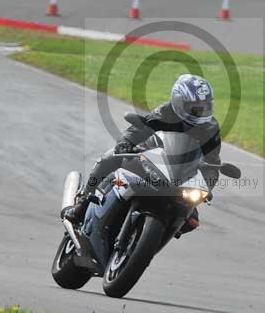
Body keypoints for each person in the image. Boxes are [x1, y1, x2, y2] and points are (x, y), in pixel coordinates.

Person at [62, 74, 222, 233]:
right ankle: (82, 203)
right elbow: (139, 129)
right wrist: (125, 143)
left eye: (206, 107)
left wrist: (206, 186)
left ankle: (150, 238)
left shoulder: (210, 128)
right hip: (151, 161)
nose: (201, 112)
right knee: (110, 158)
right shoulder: (166, 112)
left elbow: (212, 163)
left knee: (191, 220)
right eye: (196, 108)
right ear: (179, 102)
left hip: (182, 176)